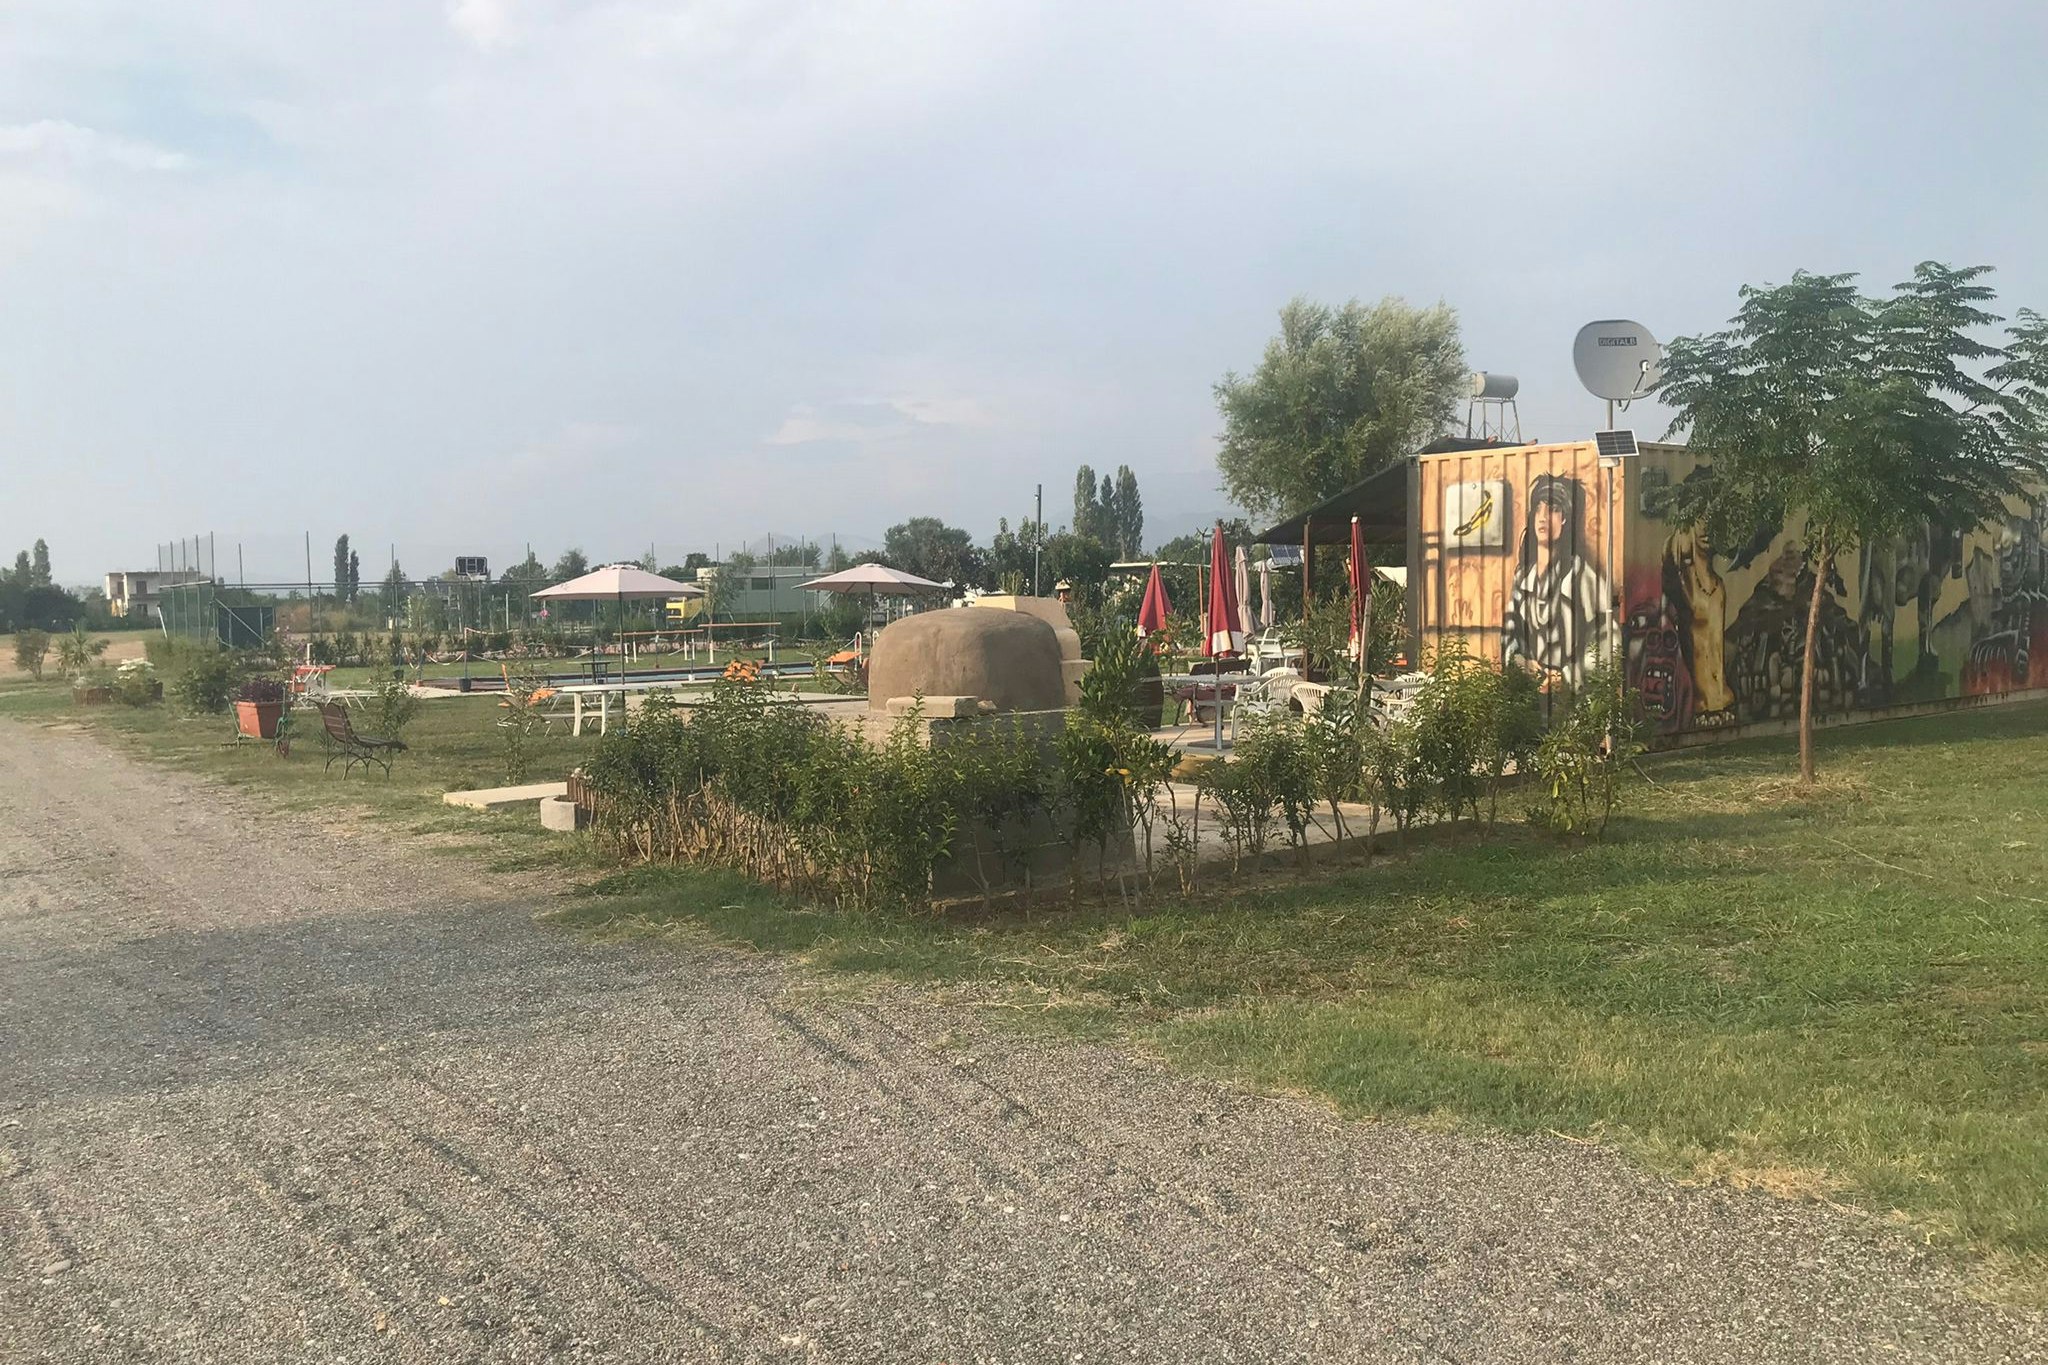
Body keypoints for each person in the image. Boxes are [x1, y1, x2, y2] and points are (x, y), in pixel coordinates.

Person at [1502, 473, 1613, 687]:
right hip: (1529, 696)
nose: (1543, 517)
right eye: (1538, 508)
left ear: (1564, 518)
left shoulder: (1581, 576)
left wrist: (1567, 677)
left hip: (1574, 700)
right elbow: (1509, 636)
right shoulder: (1523, 579)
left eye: (1553, 509)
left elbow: (1607, 640)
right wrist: (1522, 664)